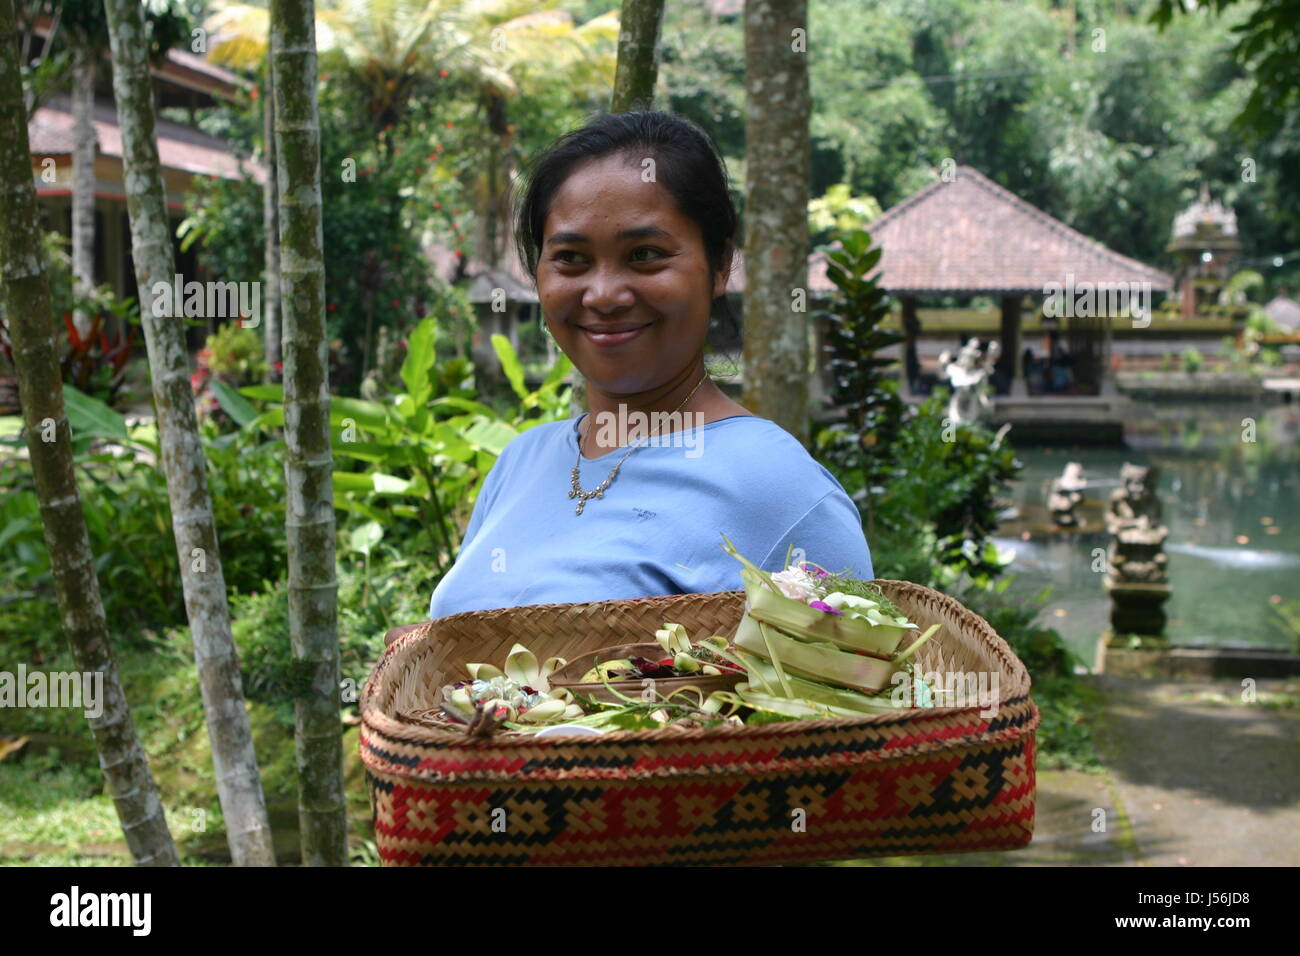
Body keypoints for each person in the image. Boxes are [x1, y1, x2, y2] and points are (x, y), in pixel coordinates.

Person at [392, 111, 873, 643]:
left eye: (644, 255)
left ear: (718, 264)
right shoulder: (520, 463)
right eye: (571, 259)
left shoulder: (777, 486)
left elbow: (853, 700)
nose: (603, 294)